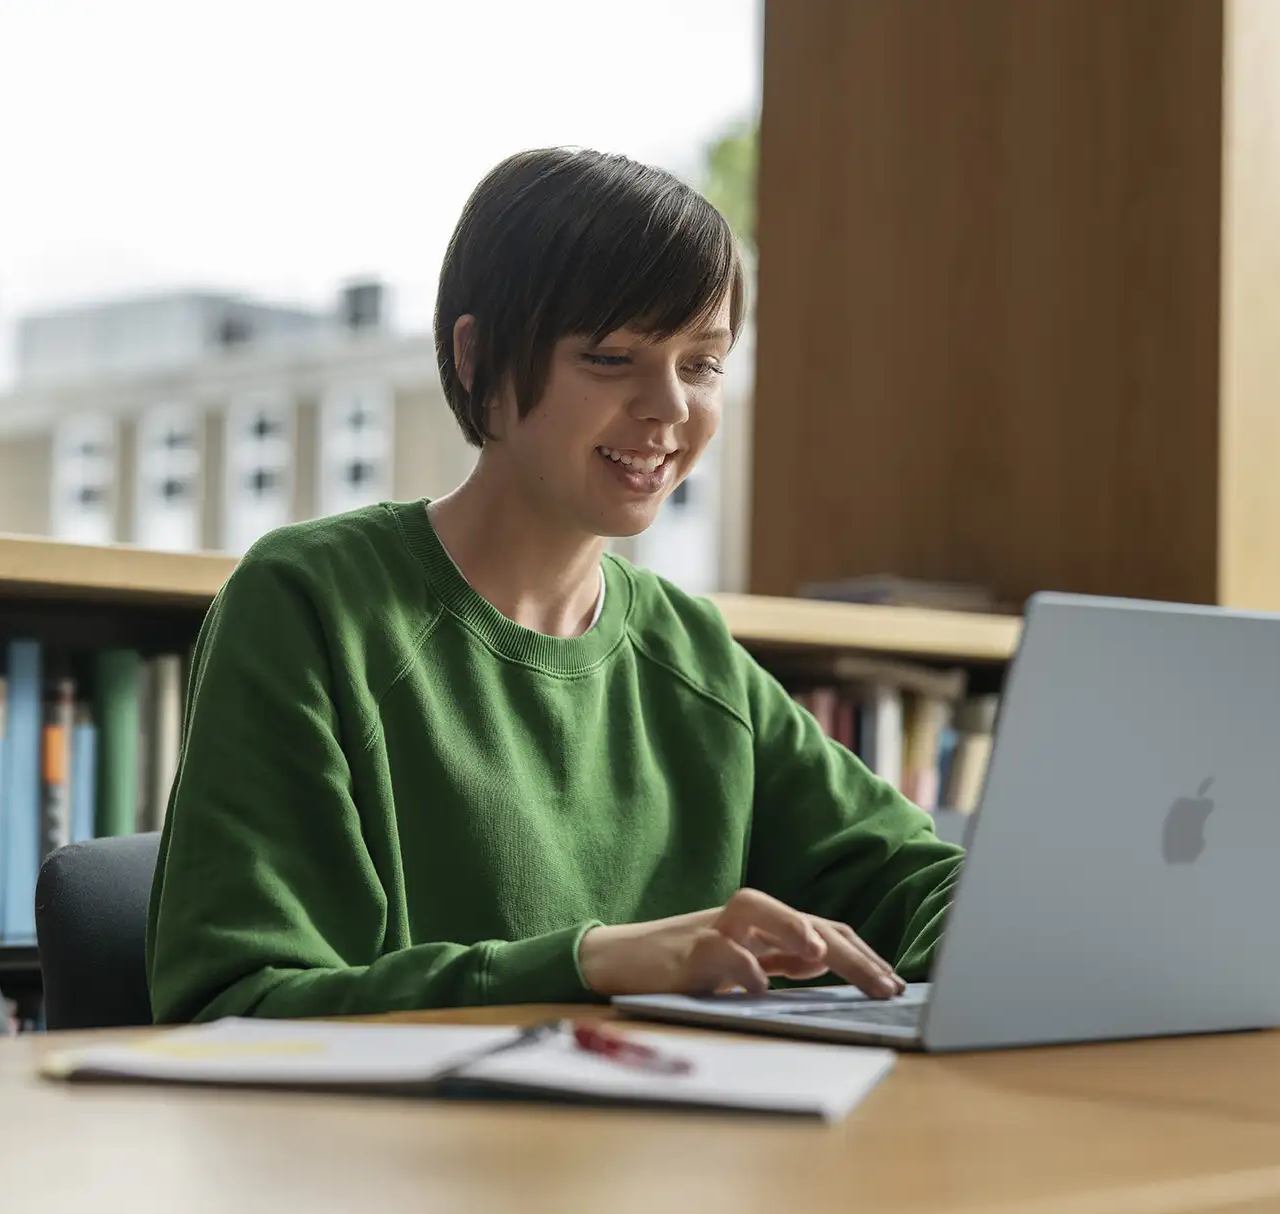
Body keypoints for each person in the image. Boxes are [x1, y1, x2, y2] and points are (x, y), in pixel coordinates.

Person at [146, 147, 959, 1022]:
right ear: (478, 355)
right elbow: (232, 1008)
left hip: (660, 1148)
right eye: (612, 357)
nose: (671, 408)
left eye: (702, 363)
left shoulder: (691, 653)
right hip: (392, 1153)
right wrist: (597, 962)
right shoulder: (310, 603)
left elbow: (927, 889)